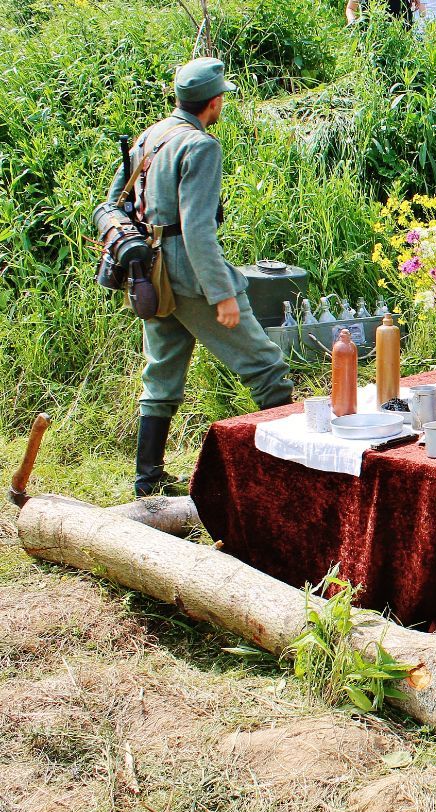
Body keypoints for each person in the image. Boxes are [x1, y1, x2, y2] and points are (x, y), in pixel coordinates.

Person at [106, 58, 292, 498]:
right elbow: (198, 230)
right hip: (190, 278)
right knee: (266, 368)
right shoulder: (200, 146)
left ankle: (147, 480)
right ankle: (292, 478)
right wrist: (222, 293)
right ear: (214, 102)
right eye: (222, 97)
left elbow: (114, 202)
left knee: (162, 373)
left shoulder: (150, 136)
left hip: (149, 276)